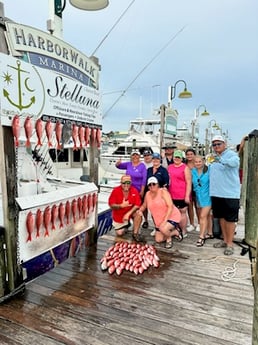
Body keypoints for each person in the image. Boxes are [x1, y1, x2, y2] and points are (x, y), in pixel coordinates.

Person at [209, 135, 240, 255]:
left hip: (230, 194)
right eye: (214, 144)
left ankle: (230, 244)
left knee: (230, 219)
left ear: (224, 144)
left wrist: (220, 160)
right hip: (216, 193)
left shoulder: (232, 155)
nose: (216, 146)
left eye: (219, 144)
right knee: (221, 217)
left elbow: (234, 164)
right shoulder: (212, 157)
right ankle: (225, 240)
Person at [136, 176, 182, 249]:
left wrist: (165, 221)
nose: (152, 186)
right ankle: (175, 232)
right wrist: (140, 210)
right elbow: (144, 205)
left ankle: (169, 239)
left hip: (172, 216)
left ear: (158, 184)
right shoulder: (147, 194)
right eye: (150, 185)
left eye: (154, 184)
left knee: (163, 228)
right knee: (158, 240)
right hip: (159, 220)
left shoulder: (163, 192)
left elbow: (170, 206)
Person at [108, 175, 143, 241]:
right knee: (119, 233)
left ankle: (135, 234)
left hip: (130, 213)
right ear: (121, 183)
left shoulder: (134, 190)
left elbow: (137, 204)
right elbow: (111, 205)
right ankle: (127, 225)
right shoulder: (115, 190)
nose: (126, 184)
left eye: (128, 182)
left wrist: (128, 214)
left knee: (139, 214)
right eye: (124, 183)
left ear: (131, 183)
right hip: (119, 216)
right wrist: (121, 206)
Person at [143, 152, 170, 233]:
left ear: (160, 160)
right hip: (150, 193)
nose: (155, 160)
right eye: (154, 159)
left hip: (160, 194)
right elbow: (145, 182)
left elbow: (166, 183)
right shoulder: (149, 170)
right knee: (153, 211)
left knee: (160, 211)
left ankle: (161, 226)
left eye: (157, 159)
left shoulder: (163, 170)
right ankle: (156, 226)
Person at [167, 150, 192, 237]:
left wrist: (187, 196)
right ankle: (175, 229)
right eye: (175, 157)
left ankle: (184, 230)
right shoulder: (169, 167)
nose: (176, 159)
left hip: (182, 194)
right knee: (173, 212)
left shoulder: (185, 168)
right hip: (171, 194)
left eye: (178, 157)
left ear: (181, 158)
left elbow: (189, 182)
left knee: (182, 212)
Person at [192, 155, 213, 246]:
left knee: (202, 216)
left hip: (208, 196)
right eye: (196, 162)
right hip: (198, 196)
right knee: (207, 215)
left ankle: (201, 237)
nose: (198, 163)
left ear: (203, 161)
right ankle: (210, 232)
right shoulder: (192, 171)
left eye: (199, 161)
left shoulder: (209, 170)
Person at [185, 148, 198, 232]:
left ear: (194, 155)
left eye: (191, 154)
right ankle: (192, 223)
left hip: (197, 186)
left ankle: (200, 223)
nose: (189, 156)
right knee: (189, 206)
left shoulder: (198, 163)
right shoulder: (184, 164)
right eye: (188, 154)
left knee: (198, 205)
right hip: (187, 187)